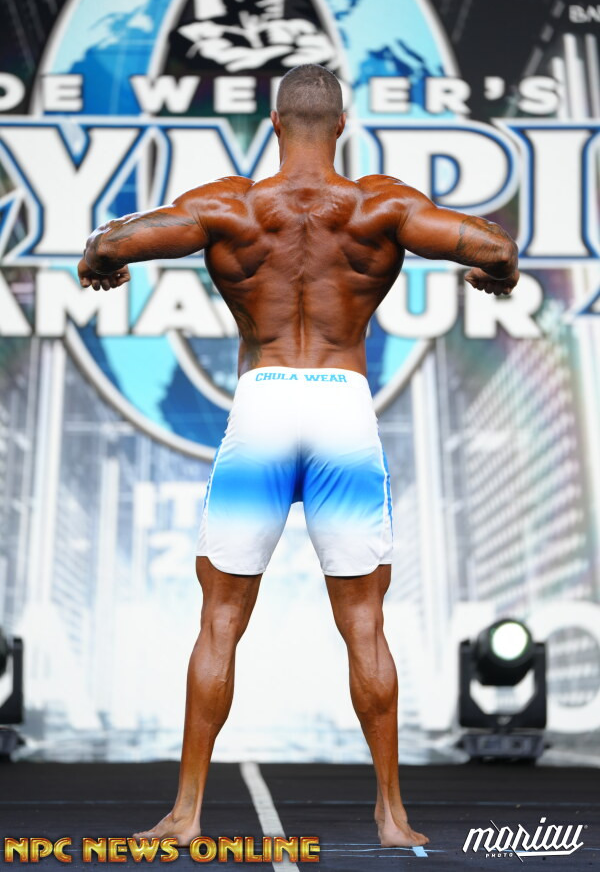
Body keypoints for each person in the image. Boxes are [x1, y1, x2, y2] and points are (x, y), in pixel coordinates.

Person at [78, 63, 519, 849]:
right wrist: (497, 275)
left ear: (275, 124)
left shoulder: (231, 205)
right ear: (342, 126)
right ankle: (391, 816)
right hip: (343, 408)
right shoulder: (381, 206)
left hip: (265, 404)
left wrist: (100, 263)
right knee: (365, 622)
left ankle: (186, 815)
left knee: (219, 619)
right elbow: (494, 246)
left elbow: (112, 242)